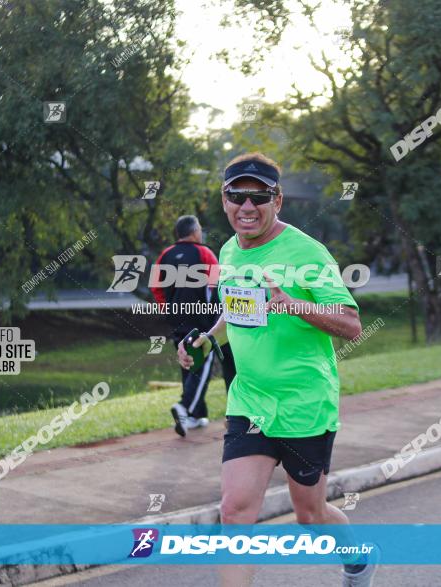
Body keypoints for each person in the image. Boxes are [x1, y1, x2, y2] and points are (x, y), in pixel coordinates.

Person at [177, 153, 378, 586]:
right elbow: (236, 313)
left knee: (310, 516)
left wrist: (294, 304)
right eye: (237, 196)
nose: (247, 207)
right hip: (250, 401)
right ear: (224, 199)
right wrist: (208, 337)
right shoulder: (229, 251)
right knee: (235, 512)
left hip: (304, 403)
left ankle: (359, 560)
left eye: (259, 196)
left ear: (278, 200)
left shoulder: (307, 252)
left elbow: (352, 324)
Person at [152, 215, 236, 437]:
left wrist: (168, 309)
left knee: (187, 363)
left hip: (177, 320)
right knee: (204, 364)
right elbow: (217, 286)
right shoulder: (204, 253)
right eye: (200, 229)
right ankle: (186, 408)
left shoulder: (165, 255)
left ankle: (197, 415)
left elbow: (156, 287)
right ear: (194, 232)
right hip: (202, 323)